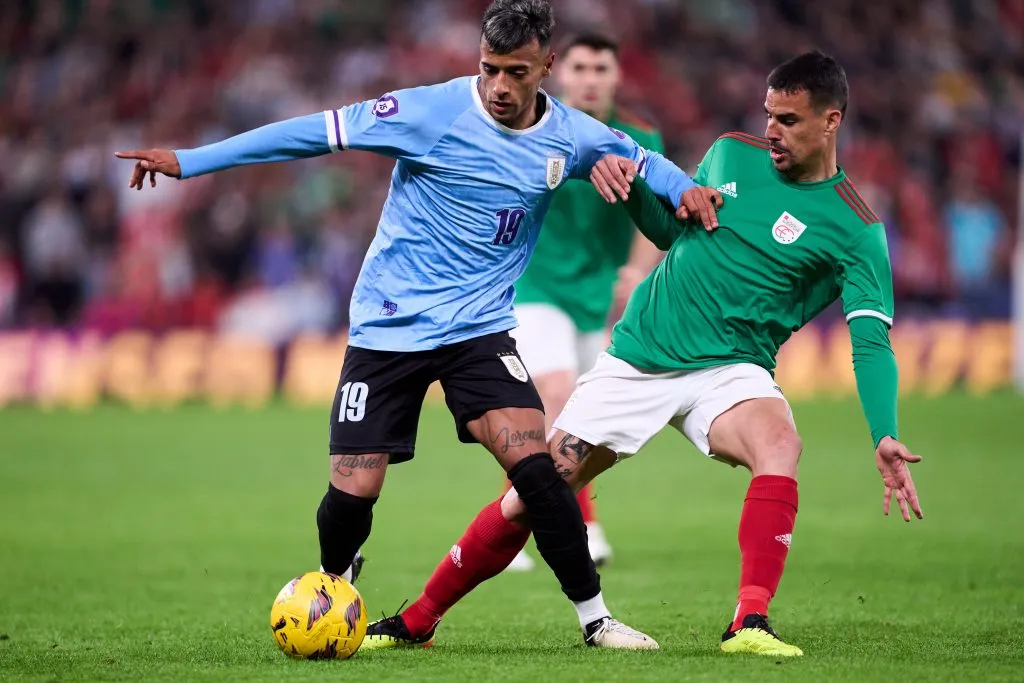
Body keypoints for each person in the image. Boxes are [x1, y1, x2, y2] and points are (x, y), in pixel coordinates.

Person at [115, 0, 708, 649]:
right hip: (388, 329)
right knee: (355, 487)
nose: (501, 87)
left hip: (478, 331)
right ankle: (333, 582)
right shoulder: (428, 112)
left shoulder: (568, 134)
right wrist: (190, 159)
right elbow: (313, 131)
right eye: (489, 70)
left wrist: (686, 191)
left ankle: (597, 618)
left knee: (537, 469)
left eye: (515, 72)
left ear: (546, 66)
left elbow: (643, 159)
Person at [364, 51, 923, 657]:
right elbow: (670, 231)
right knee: (530, 498)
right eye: (768, 115)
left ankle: (750, 621)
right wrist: (629, 189)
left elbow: (870, 342)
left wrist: (883, 433)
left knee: (780, 442)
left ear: (831, 121)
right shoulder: (733, 154)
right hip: (641, 357)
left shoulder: (856, 229)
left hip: (731, 371)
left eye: (788, 120)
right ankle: (418, 618)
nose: (771, 131)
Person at [506, 32, 667, 572]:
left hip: (599, 298)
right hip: (535, 287)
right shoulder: (530, 129)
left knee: (583, 418)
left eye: (602, 68)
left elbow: (656, 213)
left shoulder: (640, 137)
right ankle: (565, 524)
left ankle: (523, 523)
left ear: (617, 77)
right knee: (554, 394)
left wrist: (637, 271)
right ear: (559, 72)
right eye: (581, 67)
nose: (591, 78)